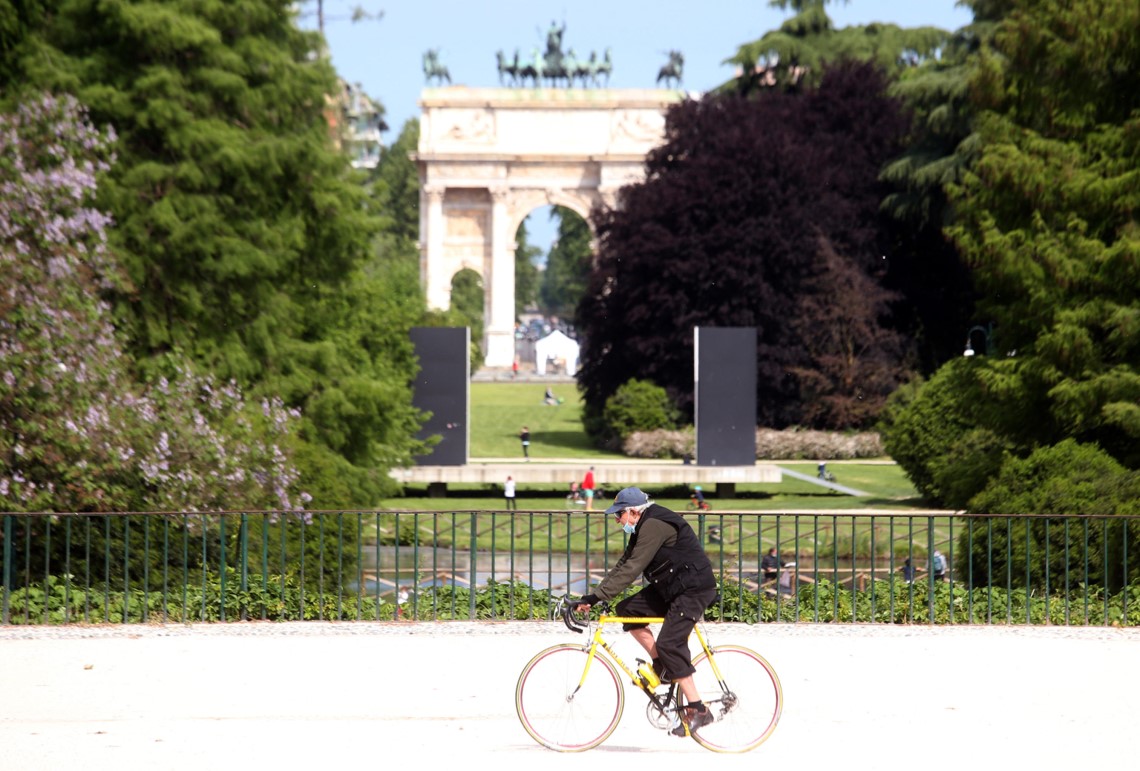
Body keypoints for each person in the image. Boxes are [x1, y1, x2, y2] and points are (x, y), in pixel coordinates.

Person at [573, 487, 718, 737]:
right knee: (627, 610)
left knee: (670, 643)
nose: (617, 520)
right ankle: (664, 667)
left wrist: (597, 597)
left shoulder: (653, 526)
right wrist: (592, 597)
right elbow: (623, 564)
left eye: (619, 515)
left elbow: (633, 568)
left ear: (632, 511)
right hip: (672, 588)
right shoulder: (641, 526)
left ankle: (698, 709)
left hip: (692, 590)